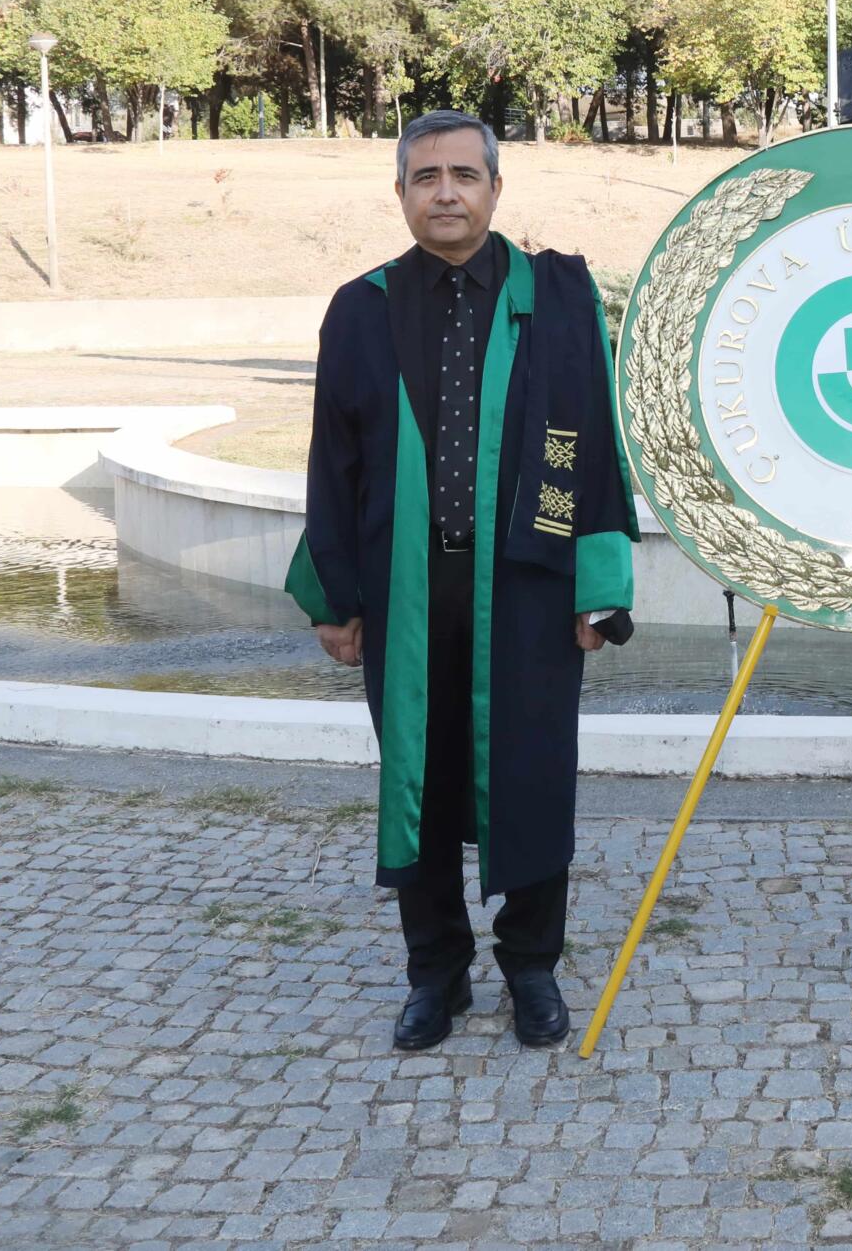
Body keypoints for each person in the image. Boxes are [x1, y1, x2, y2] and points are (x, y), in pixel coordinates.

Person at [288, 110, 639, 1052]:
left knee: (532, 778)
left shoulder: (557, 298)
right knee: (421, 781)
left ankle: (531, 968)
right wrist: (335, 595)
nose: (445, 191)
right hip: (406, 590)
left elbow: (590, 446)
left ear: (494, 189)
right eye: (425, 176)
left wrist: (597, 586)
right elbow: (333, 459)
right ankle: (434, 976)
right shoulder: (359, 308)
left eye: (463, 175)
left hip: (526, 588)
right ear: (400, 193)